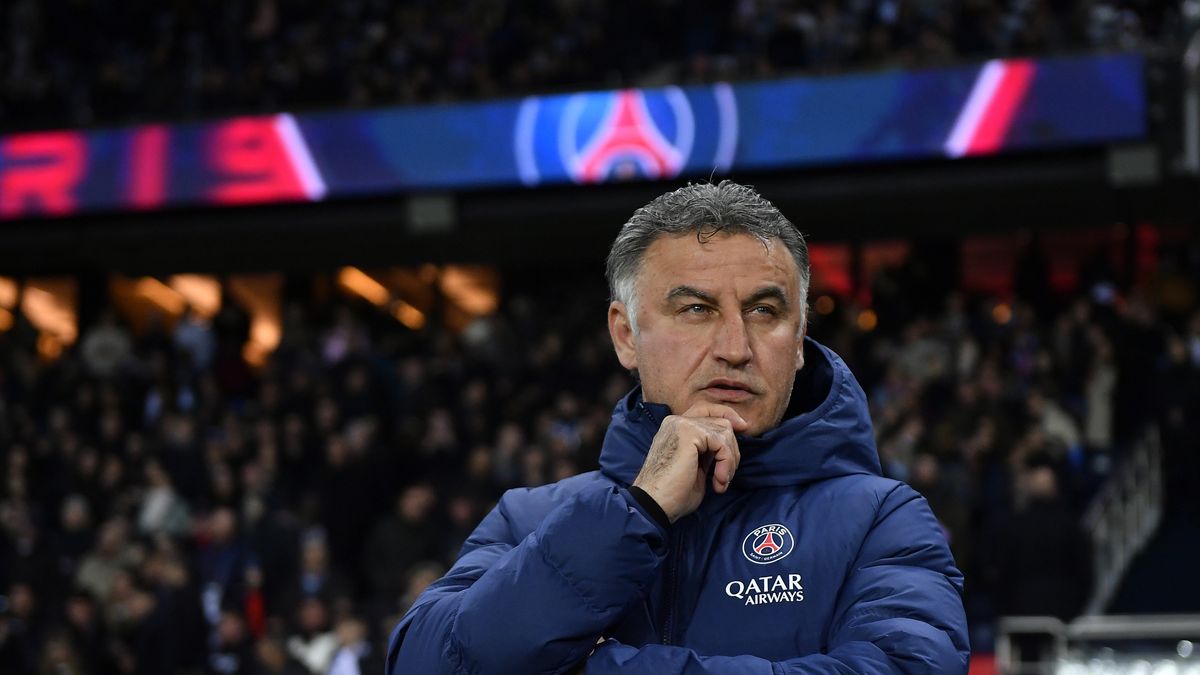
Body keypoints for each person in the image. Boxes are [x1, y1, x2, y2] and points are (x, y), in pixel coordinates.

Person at [385, 181, 969, 673]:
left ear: (798, 341)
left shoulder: (880, 519)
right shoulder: (531, 518)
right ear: (625, 335)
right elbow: (422, 663)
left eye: (764, 311)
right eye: (696, 309)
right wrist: (636, 512)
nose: (735, 347)